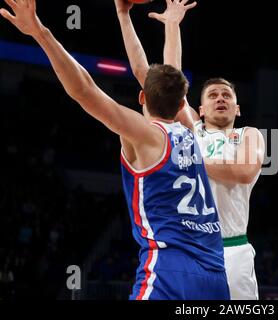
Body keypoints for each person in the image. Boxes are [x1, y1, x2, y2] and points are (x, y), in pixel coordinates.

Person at [1, 0, 229, 300]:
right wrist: (152, 21)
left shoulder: (146, 135)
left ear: (141, 97)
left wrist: (41, 32)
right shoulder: (193, 131)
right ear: (182, 102)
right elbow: (155, 72)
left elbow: (84, 89)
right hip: (216, 274)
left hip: (170, 269)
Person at [114, 0, 265, 300]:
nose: (220, 98)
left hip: (233, 249)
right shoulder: (191, 132)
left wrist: (189, 161)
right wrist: (168, 25)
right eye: (213, 94)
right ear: (197, 107)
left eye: (227, 95)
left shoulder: (250, 135)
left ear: (238, 107)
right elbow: (153, 75)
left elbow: (243, 172)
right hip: (190, 249)